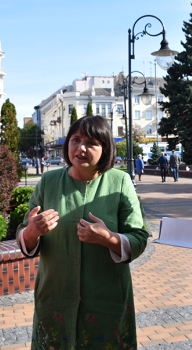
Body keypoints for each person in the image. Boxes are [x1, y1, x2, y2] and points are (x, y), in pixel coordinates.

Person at [16, 115, 149, 349]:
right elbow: (24, 233)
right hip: (56, 296)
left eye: (92, 143)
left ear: (105, 148)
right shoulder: (48, 181)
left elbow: (138, 238)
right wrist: (32, 231)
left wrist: (108, 238)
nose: (81, 148)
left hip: (106, 300)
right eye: (76, 140)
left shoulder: (120, 181)